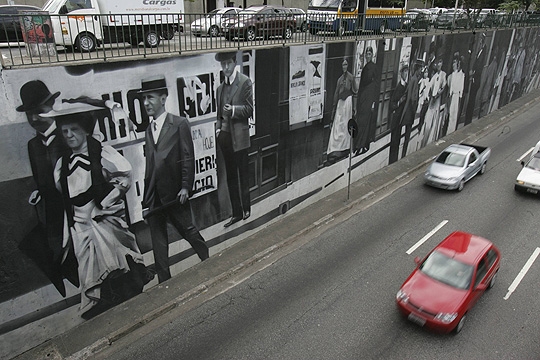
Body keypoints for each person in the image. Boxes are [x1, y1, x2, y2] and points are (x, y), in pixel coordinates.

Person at [49, 103, 152, 319]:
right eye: (65, 131)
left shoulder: (103, 153)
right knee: (90, 270)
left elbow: (125, 176)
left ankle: (131, 305)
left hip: (105, 219)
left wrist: (107, 203)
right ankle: (104, 310)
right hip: (80, 225)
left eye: (74, 130)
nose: (69, 135)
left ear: (85, 129)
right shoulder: (62, 164)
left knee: (118, 260)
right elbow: (63, 191)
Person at [140, 76, 209, 283]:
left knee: (188, 231)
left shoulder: (179, 124)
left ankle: (208, 259)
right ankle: (164, 282)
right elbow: (149, 168)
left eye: (150, 98)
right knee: (158, 243)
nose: (146, 103)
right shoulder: (148, 131)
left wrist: (185, 187)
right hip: (154, 199)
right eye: (144, 99)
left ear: (163, 98)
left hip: (174, 194)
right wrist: (145, 201)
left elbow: (188, 156)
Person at [16, 80, 78, 297]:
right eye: (29, 114)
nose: (34, 119)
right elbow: (41, 178)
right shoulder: (33, 146)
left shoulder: (68, 136)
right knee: (41, 248)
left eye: (39, 112)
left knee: (75, 249)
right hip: (51, 210)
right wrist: (39, 191)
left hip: (74, 207)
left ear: (51, 106)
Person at [215, 51, 253, 227]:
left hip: (240, 137)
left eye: (228, 64)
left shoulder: (245, 82)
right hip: (225, 138)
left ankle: (246, 208)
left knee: (243, 174)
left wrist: (234, 110)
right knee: (230, 177)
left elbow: (250, 109)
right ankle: (236, 213)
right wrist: (218, 131)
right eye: (222, 64)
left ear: (234, 63)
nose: (225, 68)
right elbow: (218, 116)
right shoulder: (219, 89)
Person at [327, 57, 357, 163]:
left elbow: (355, 92)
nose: (344, 67)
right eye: (343, 65)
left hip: (348, 102)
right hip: (340, 103)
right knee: (338, 125)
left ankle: (345, 149)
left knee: (345, 125)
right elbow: (336, 94)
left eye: (346, 65)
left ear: (348, 65)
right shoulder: (339, 80)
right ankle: (335, 150)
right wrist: (334, 109)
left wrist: (354, 109)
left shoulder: (351, 78)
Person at [355, 46, 379, 155]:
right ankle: (359, 145)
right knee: (361, 121)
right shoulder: (365, 68)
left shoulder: (374, 68)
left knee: (365, 122)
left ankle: (363, 145)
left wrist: (374, 101)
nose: (367, 56)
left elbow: (376, 85)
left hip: (369, 98)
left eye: (369, 54)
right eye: (366, 54)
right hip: (363, 98)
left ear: (372, 55)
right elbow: (361, 86)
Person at [421, 56, 446, 148]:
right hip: (432, 100)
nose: (439, 64)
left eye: (440, 62)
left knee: (435, 119)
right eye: (437, 63)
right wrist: (429, 96)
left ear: (442, 64)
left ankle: (432, 140)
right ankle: (425, 140)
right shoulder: (434, 76)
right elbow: (429, 87)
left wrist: (437, 95)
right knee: (428, 118)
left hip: (437, 100)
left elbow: (443, 87)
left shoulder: (443, 75)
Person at [400, 60, 421, 159]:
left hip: (407, 109)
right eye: (420, 69)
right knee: (407, 134)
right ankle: (403, 154)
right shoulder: (415, 80)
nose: (421, 71)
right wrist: (414, 109)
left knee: (406, 134)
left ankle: (403, 153)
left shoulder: (412, 79)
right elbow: (413, 97)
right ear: (417, 69)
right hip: (410, 110)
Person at [465, 33, 486, 126]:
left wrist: (473, 73)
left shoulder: (483, 52)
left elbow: (479, 66)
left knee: (472, 100)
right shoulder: (479, 52)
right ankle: (467, 119)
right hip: (474, 79)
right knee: (470, 99)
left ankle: (468, 120)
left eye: (481, 40)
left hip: (476, 80)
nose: (479, 42)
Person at [389, 63, 408, 164]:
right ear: (401, 73)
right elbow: (392, 104)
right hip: (396, 119)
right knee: (394, 141)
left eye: (407, 72)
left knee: (398, 141)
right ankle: (392, 162)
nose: (406, 74)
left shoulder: (406, 86)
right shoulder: (399, 87)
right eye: (405, 72)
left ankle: (394, 162)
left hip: (401, 119)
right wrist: (399, 102)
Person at [447, 53, 465, 133]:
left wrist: (460, 96)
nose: (454, 65)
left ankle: (452, 131)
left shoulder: (461, 75)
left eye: (456, 63)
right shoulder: (452, 75)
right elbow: (450, 86)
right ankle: (448, 131)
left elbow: (461, 87)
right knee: (450, 115)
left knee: (454, 115)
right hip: (452, 95)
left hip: (457, 96)